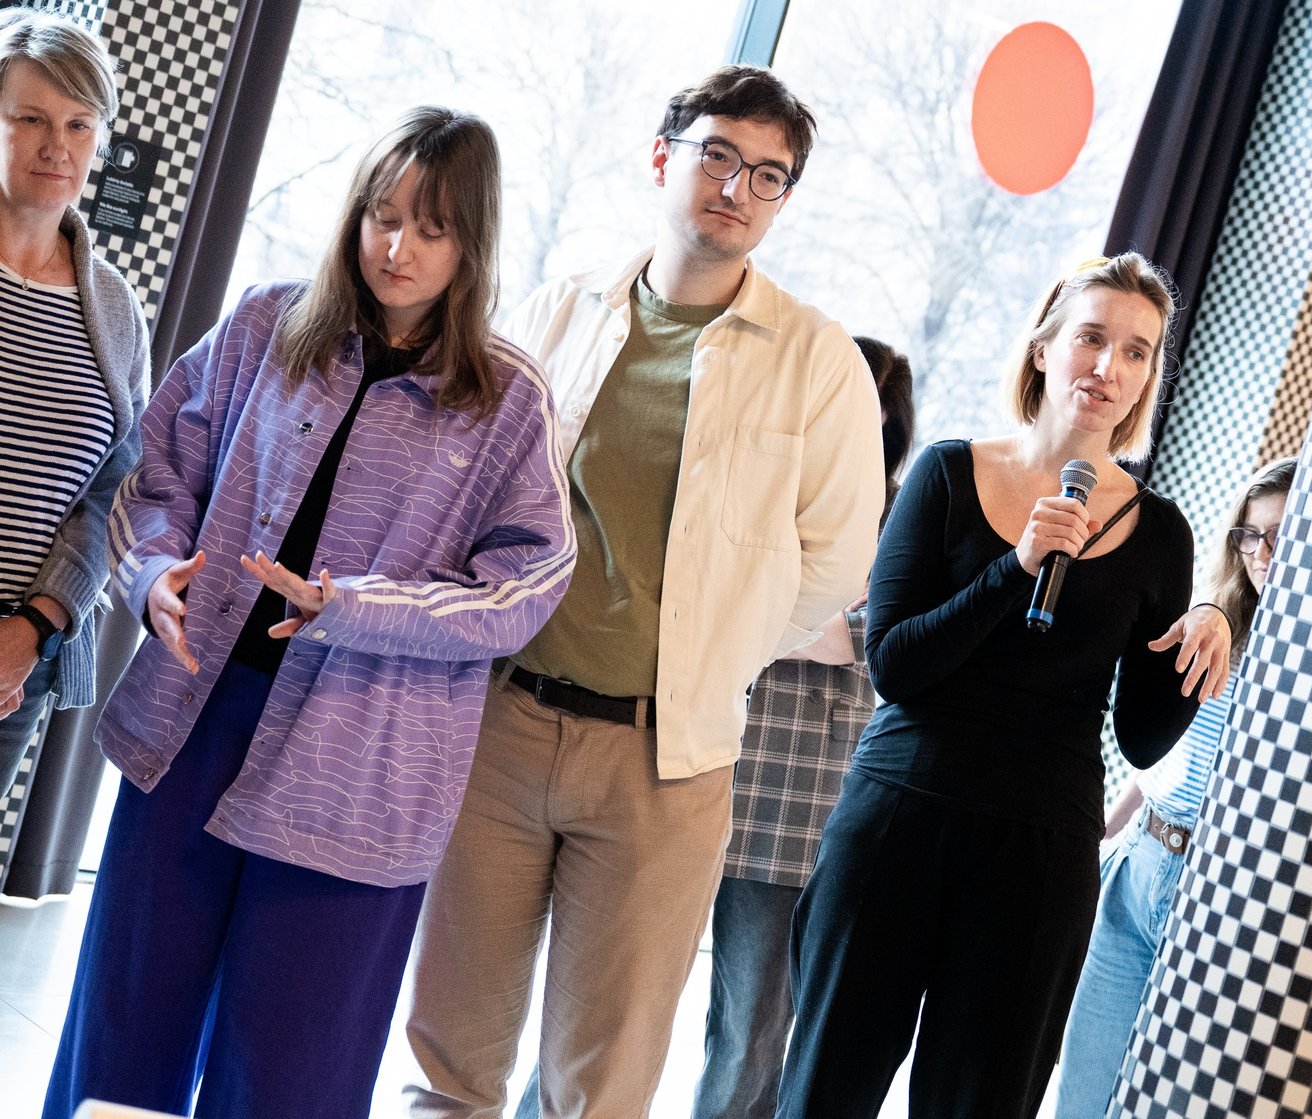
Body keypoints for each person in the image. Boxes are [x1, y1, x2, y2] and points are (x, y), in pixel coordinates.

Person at [42, 106, 575, 1119]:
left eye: (431, 228)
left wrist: (358, 608)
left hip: (363, 767)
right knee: (123, 1034)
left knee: (290, 1074)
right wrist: (150, 576)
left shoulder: (507, 398)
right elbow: (156, 474)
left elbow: (527, 585)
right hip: (192, 720)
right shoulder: (263, 324)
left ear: (472, 242)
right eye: (383, 216)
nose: (397, 247)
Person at [403, 66, 883, 1119]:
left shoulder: (818, 362)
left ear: (783, 199)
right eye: (717, 155)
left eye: (767, 174)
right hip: (501, 727)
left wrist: (713, 648)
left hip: (665, 762)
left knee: (602, 1084)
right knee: (450, 1061)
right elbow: (470, 487)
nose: (737, 188)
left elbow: (836, 563)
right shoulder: (555, 313)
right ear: (664, 158)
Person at [775, 253, 1233, 1119]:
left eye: (1136, 351)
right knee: (825, 1088)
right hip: (900, 814)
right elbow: (895, 666)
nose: (1108, 366)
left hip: (1040, 849)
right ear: (1044, 349)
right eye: (1091, 338)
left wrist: (1204, 630)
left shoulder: (1159, 532)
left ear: (1147, 378)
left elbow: (1142, 734)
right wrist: (1014, 567)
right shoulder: (947, 473)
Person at [686, 336, 915, 1119]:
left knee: (749, 1035)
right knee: (610, 1007)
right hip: (689, 763)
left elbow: (871, 643)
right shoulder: (752, 481)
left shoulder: (899, 515)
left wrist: (766, 605)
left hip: (794, 801)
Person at [1053, 455, 1297, 1118]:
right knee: (1081, 1089)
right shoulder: (1215, 623)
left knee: (1166, 1099)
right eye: (1250, 535)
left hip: (1219, 894)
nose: (1261, 553)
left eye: (1280, 534)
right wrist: (1100, 840)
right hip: (1141, 863)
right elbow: (1160, 756)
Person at [0, 10, 147, 801]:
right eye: (30, 119)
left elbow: (115, 489)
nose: (56, 145)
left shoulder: (117, 312)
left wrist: (34, 626)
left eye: (78, 124)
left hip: (16, 659)